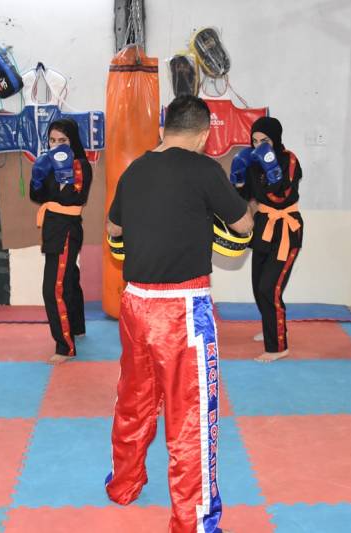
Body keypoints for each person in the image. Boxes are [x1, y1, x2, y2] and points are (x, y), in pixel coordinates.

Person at [104, 95, 253, 533]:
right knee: (191, 418)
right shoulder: (205, 169)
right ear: (204, 135)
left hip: (134, 304)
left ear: (164, 128)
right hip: (182, 311)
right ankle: (195, 523)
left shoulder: (135, 169)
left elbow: (113, 230)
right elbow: (243, 227)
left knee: (134, 399)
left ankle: (124, 484)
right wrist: (230, 213)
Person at [229, 116, 303, 362]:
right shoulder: (252, 162)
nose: (259, 145)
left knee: (270, 288)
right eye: (255, 140)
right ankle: (271, 327)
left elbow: (283, 196)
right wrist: (238, 180)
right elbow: (246, 198)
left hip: (286, 230)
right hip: (263, 227)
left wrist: (271, 169)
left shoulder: (289, 160)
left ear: (276, 140)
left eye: (265, 141)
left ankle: (278, 346)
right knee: (258, 286)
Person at [29, 119, 92, 364]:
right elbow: (37, 196)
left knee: (53, 288)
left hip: (66, 229)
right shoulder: (47, 161)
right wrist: (37, 177)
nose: (56, 145)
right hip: (53, 226)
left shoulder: (81, 165)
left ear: (72, 141)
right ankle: (77, 326)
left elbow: (74, 197)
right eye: (52, 141)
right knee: (69, 278)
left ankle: (64, 346)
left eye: (62, 140)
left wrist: (62, 174)